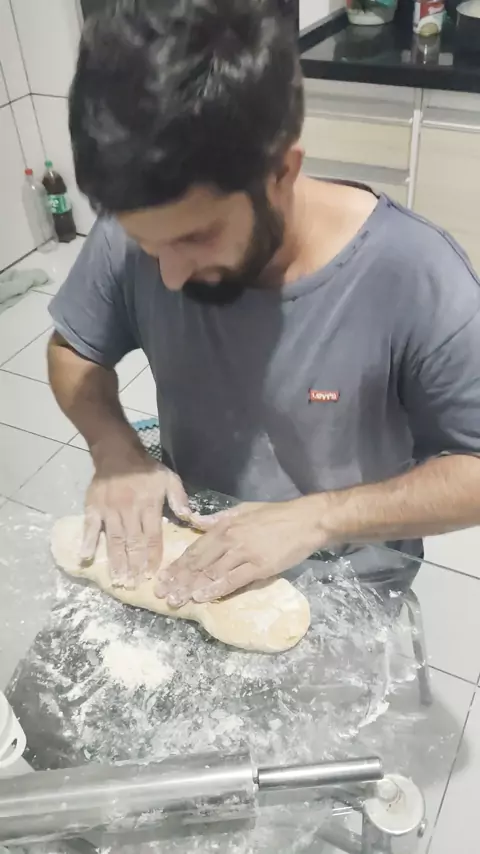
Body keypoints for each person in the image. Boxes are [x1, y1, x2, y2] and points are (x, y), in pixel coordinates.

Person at [49, 0, 480, 606]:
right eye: (148, 246)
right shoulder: (146, 222)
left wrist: (318, 518)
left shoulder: (418, 276)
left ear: (281, 174)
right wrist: (114, 448)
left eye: (196, 238)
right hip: (193, 556)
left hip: (349, 585)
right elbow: (73, 350)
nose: (169, 275)